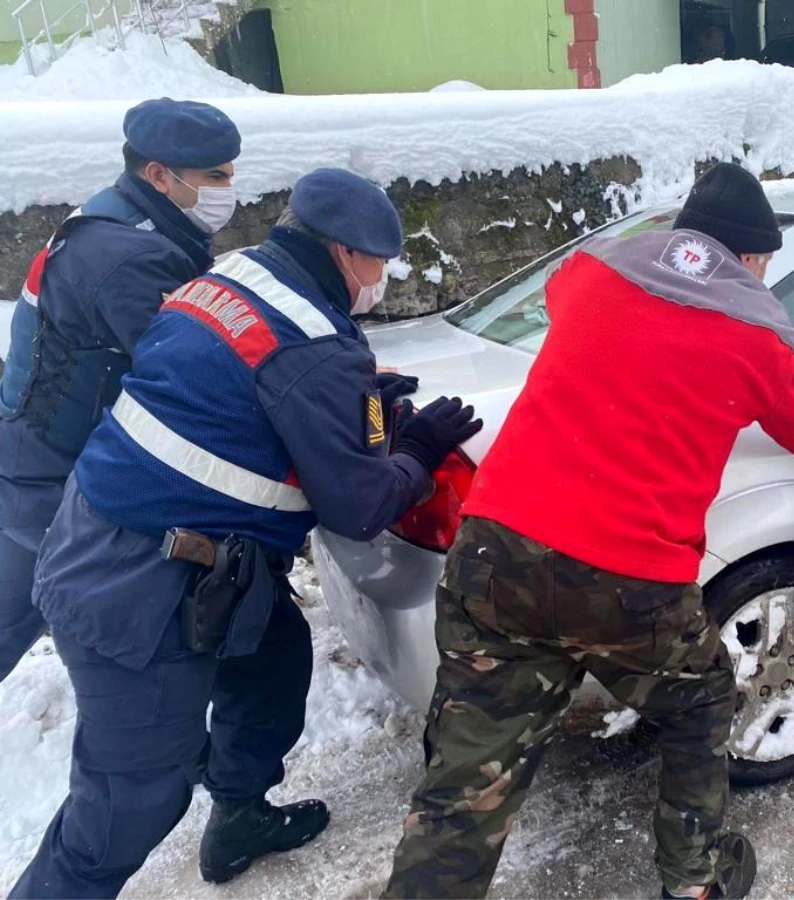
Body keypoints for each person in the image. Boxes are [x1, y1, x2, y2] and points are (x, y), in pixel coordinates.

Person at [380, 163, 794, 900]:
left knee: (469, 771)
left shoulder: (589, 271)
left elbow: (568, 304)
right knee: (700, 706)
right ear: (755, 257)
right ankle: (695, 879)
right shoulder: (760, 335)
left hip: (496, 552)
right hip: (625, 581)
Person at [8, 167, 483, 900]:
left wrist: (363, 411)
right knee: (132, 800)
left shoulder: (230, 277)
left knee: (273, 662)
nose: (382, 279)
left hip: (137, 537)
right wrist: (416, 452)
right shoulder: (315, 348)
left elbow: (252, 394)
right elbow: (357, 507)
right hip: (136, 586)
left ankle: (238, 816)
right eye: (379, 264)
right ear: (345, 255)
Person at [0, 97, 242, 683]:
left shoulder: (125, 219)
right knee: (23, 611)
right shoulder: (128, 257)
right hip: (53, 468)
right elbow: (191, 370)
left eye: (230, 173)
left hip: (39, 446)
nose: (229, 189)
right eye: (214, 176)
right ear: (158, 173)